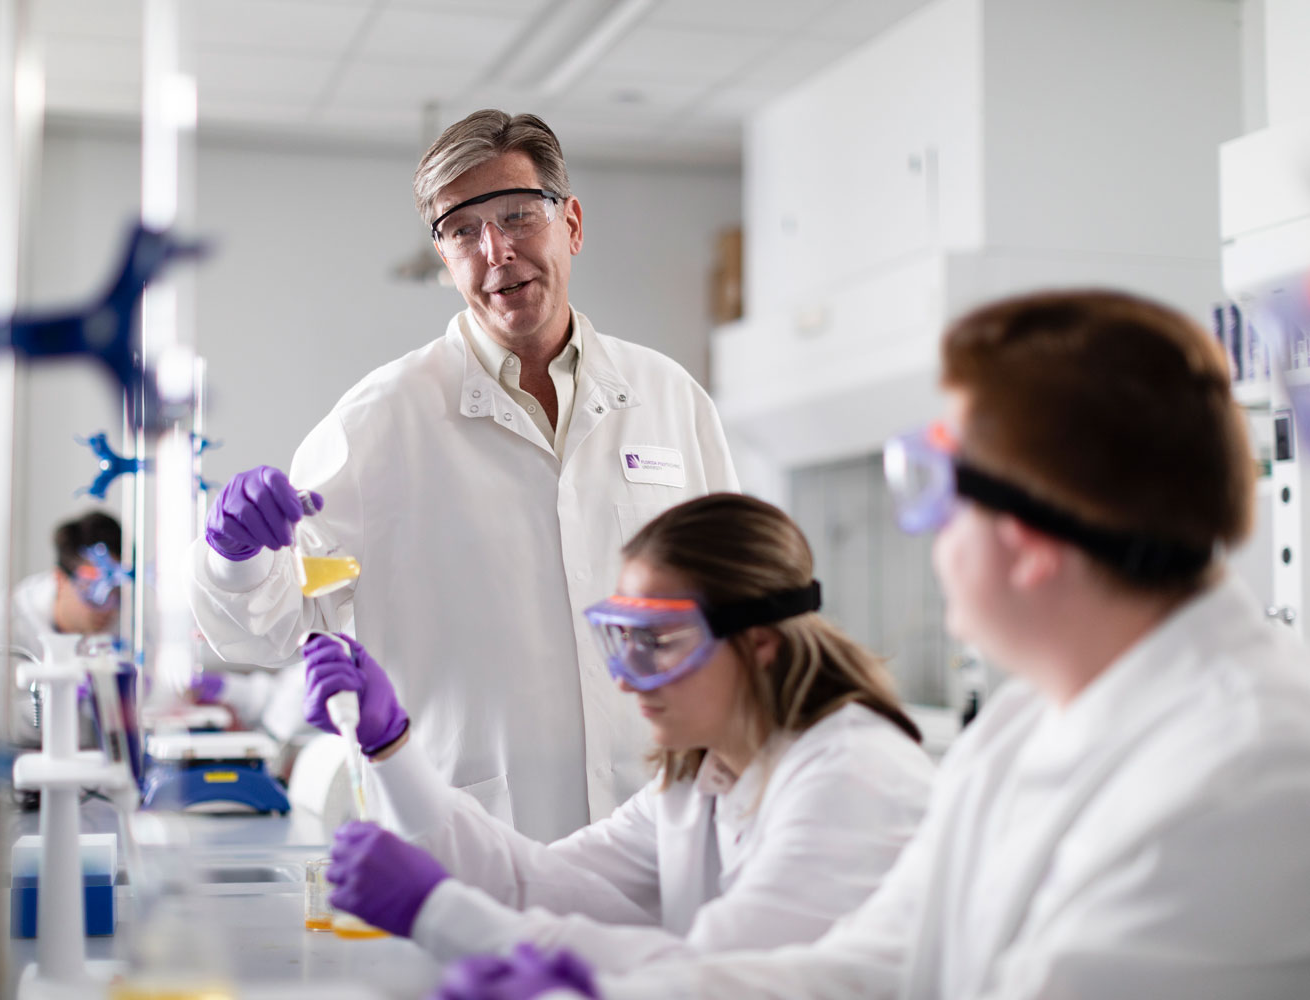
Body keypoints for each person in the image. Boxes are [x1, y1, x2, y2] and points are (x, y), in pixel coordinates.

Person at [435, 289, 1310, 999]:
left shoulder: (1242, 770)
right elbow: (870, 966)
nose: (927, 536)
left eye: (935, 486)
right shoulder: (1021, 731)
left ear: (1034, 542)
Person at [187, 110, 738, 841]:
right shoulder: (379, 423)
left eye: (519, 215)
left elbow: (740, 606)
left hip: (665, 828)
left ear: (570, 224)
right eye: (461, 231)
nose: (497, 250)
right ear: (444, 259)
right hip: (474, 835)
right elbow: (275, 627)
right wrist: (235, 560)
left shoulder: (670, 400)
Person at [304, 493, 933, 973]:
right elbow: (536, 887)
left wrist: (440, 912)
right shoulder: (704, 776)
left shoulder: (851, 774)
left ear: (761, 643)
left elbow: (712, 981)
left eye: (658, 643)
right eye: (622, 639)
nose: (629, 681)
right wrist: (391, 747)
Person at [0, 510, 123, 743]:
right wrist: (68, 691)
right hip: (16, 766)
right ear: (60, 579)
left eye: (115, 589)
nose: (107, 605)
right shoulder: (4, 623)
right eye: (92, 590)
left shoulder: (132, 613)